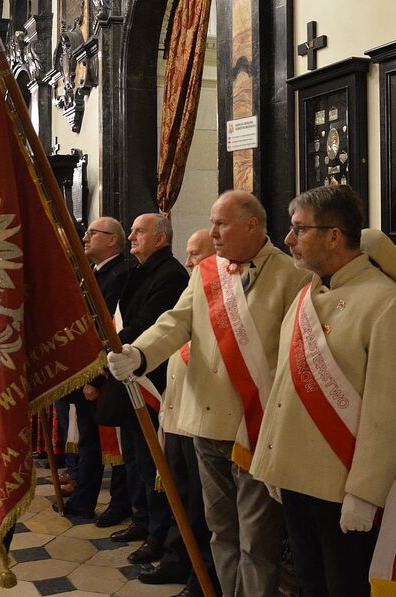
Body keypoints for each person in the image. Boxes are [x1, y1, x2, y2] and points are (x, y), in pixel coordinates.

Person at [107, 191, 309, 596]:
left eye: (221, 224)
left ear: (252, 225)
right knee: (220, 530)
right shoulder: (206, 273)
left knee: (257, 540)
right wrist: (139, 353)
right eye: (213, 223)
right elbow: (176, 322)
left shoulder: (292, 276)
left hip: (256, 427)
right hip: (207, 423)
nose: (212, 232)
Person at [249, 185, 396, 596]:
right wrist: (272, 458)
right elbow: (284, 382)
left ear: (334, 236)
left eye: (299, 229)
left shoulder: (388, 305)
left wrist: (365, 492)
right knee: (309, 584)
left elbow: (392, 412)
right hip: (296, 476)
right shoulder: (307, 294)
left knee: (344, 588)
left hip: (343, 485)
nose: (288, 239)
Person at [139, 229, 220, 595]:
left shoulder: (223, 298)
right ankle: (176, 559)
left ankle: (200, 576)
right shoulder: (192, 290)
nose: (188, 262)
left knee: (201, 507)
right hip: (177, 413)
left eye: (194, 254)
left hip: (202, 416)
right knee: (179, 496)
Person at [105, 213, 188, 565]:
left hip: (150, 377)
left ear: (161, 238)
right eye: (132, 231)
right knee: (135, 458)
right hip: (131, 373)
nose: (131, 237)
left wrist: (112, 347)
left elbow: (148, 324)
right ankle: (141, 521)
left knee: (152, 462)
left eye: (139, 231)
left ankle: (158, 535)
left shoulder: (171, 275)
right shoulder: (139, 271)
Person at [58, 217, 131, 522]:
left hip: (104, 373)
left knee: (115, 444)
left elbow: (108, 329)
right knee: (89, 439)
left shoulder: (120, 275)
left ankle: (118, 504)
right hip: (86, 369)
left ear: (112, 239)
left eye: (92, 233)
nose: (85, 238)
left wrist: (96, 377)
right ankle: (83, 499)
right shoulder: (96, 272)